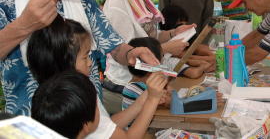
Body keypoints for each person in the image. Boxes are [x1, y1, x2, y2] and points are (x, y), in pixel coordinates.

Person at [0, 0, 159, 116]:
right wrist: (23, 25)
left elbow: (114, 46)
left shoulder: (82, 3)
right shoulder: (6, 8)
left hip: (86, 120)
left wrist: (132, 52)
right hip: (31, 124)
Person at [28, 15, 167, 139]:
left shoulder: (53, 96)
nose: (90, 63)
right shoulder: (78, 101)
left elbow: (107, 126)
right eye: (85, 56)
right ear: (64, 62)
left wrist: (146, 98)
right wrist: (152, 100)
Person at [102, 0, 194, 114]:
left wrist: (173, 33)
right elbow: (129, 54)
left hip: (144, 82)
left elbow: (149, 37)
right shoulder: (117, 3)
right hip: (126, 87)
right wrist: (167, 48)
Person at [159, 5, 215, 72]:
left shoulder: (189, 37)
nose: (184, 28)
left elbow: (211, 56)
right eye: (180, 25)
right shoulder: (169, 47)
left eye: (185, 23)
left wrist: (189, 57)